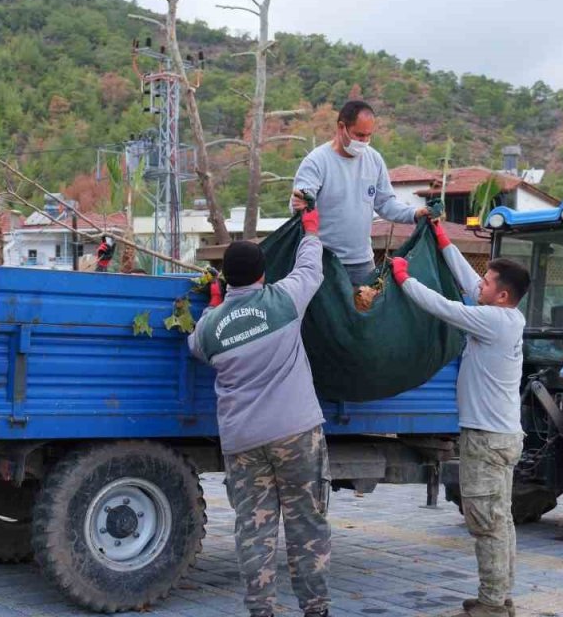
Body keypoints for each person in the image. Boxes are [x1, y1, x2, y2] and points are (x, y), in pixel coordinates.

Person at [187, 208, 332, 617]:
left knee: (253, 529)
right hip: (296, 433)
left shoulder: (210, 328)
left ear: (226, 278)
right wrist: (310, 229)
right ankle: (316, 609)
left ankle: (261, 610)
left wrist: (215, 304)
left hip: (243, 442)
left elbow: (195, 347)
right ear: (263, 274)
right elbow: (311, 266)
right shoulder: (285, 299)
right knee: (307, 525)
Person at [390, 221, 530, 617]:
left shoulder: (493, 322)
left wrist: (404, 280)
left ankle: (492, 604)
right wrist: (446, 243)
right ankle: (500, 595)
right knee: (500, 521)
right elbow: (470, 285)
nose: (480, 285)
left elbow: (444, 307)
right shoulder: (505, 316)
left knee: (486, 522)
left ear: (502, 295)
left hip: (487, 441)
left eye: (489, 283)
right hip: (501, 436)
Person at [290, 100, 431, 285]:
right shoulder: (316, 162)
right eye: (359, 135)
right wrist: (300, 202)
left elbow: (386, 203)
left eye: (368, 136)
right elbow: (302, 201)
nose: (363, 141)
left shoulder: (374, 160)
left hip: (362, 263)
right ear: (342, 127)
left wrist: (414, 214)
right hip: (323, 262)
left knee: (365, 309)